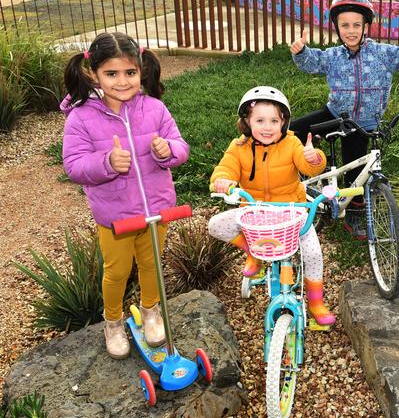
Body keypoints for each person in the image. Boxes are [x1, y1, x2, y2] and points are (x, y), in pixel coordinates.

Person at [61, 31, 189, 359]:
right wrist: (106, 163)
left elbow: (181, 147)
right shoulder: (81, 117)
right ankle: (113, 322)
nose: (122, 81)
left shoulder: (155, 110)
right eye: (112, 74)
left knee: (151, 264)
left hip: (157, 208)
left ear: (141, 71)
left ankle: (150, 311)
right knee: (117, 271)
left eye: (130, 73)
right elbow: (74, 165)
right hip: (116, 216)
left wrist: (167, 150)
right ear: (94, 74)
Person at [289, 0, 399, 239]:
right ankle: (302, 174)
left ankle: (354, 211)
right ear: (337, 27)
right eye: (345, 25)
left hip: (363, 122)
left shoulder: (382, 53)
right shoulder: (333, 56)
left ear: (366, 26)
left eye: (356, 24)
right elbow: (313, 63)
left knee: (355, 170)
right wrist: (301, 51)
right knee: (293, 131)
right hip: (334, 113)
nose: (351, 30)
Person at [207, 86, 336, 325]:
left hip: (294, 211)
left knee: (313, 254)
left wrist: (314, 158)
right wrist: (222, 181)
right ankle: (252, 252)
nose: (267, 127)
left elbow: (309, 167)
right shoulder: (238, 147)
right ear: (247, 121)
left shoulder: (291, 143)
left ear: (284, 122)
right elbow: (225, 168)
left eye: (274, 120)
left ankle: (316, 302)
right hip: (255, 213)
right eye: (260, 120)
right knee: (215, 225)